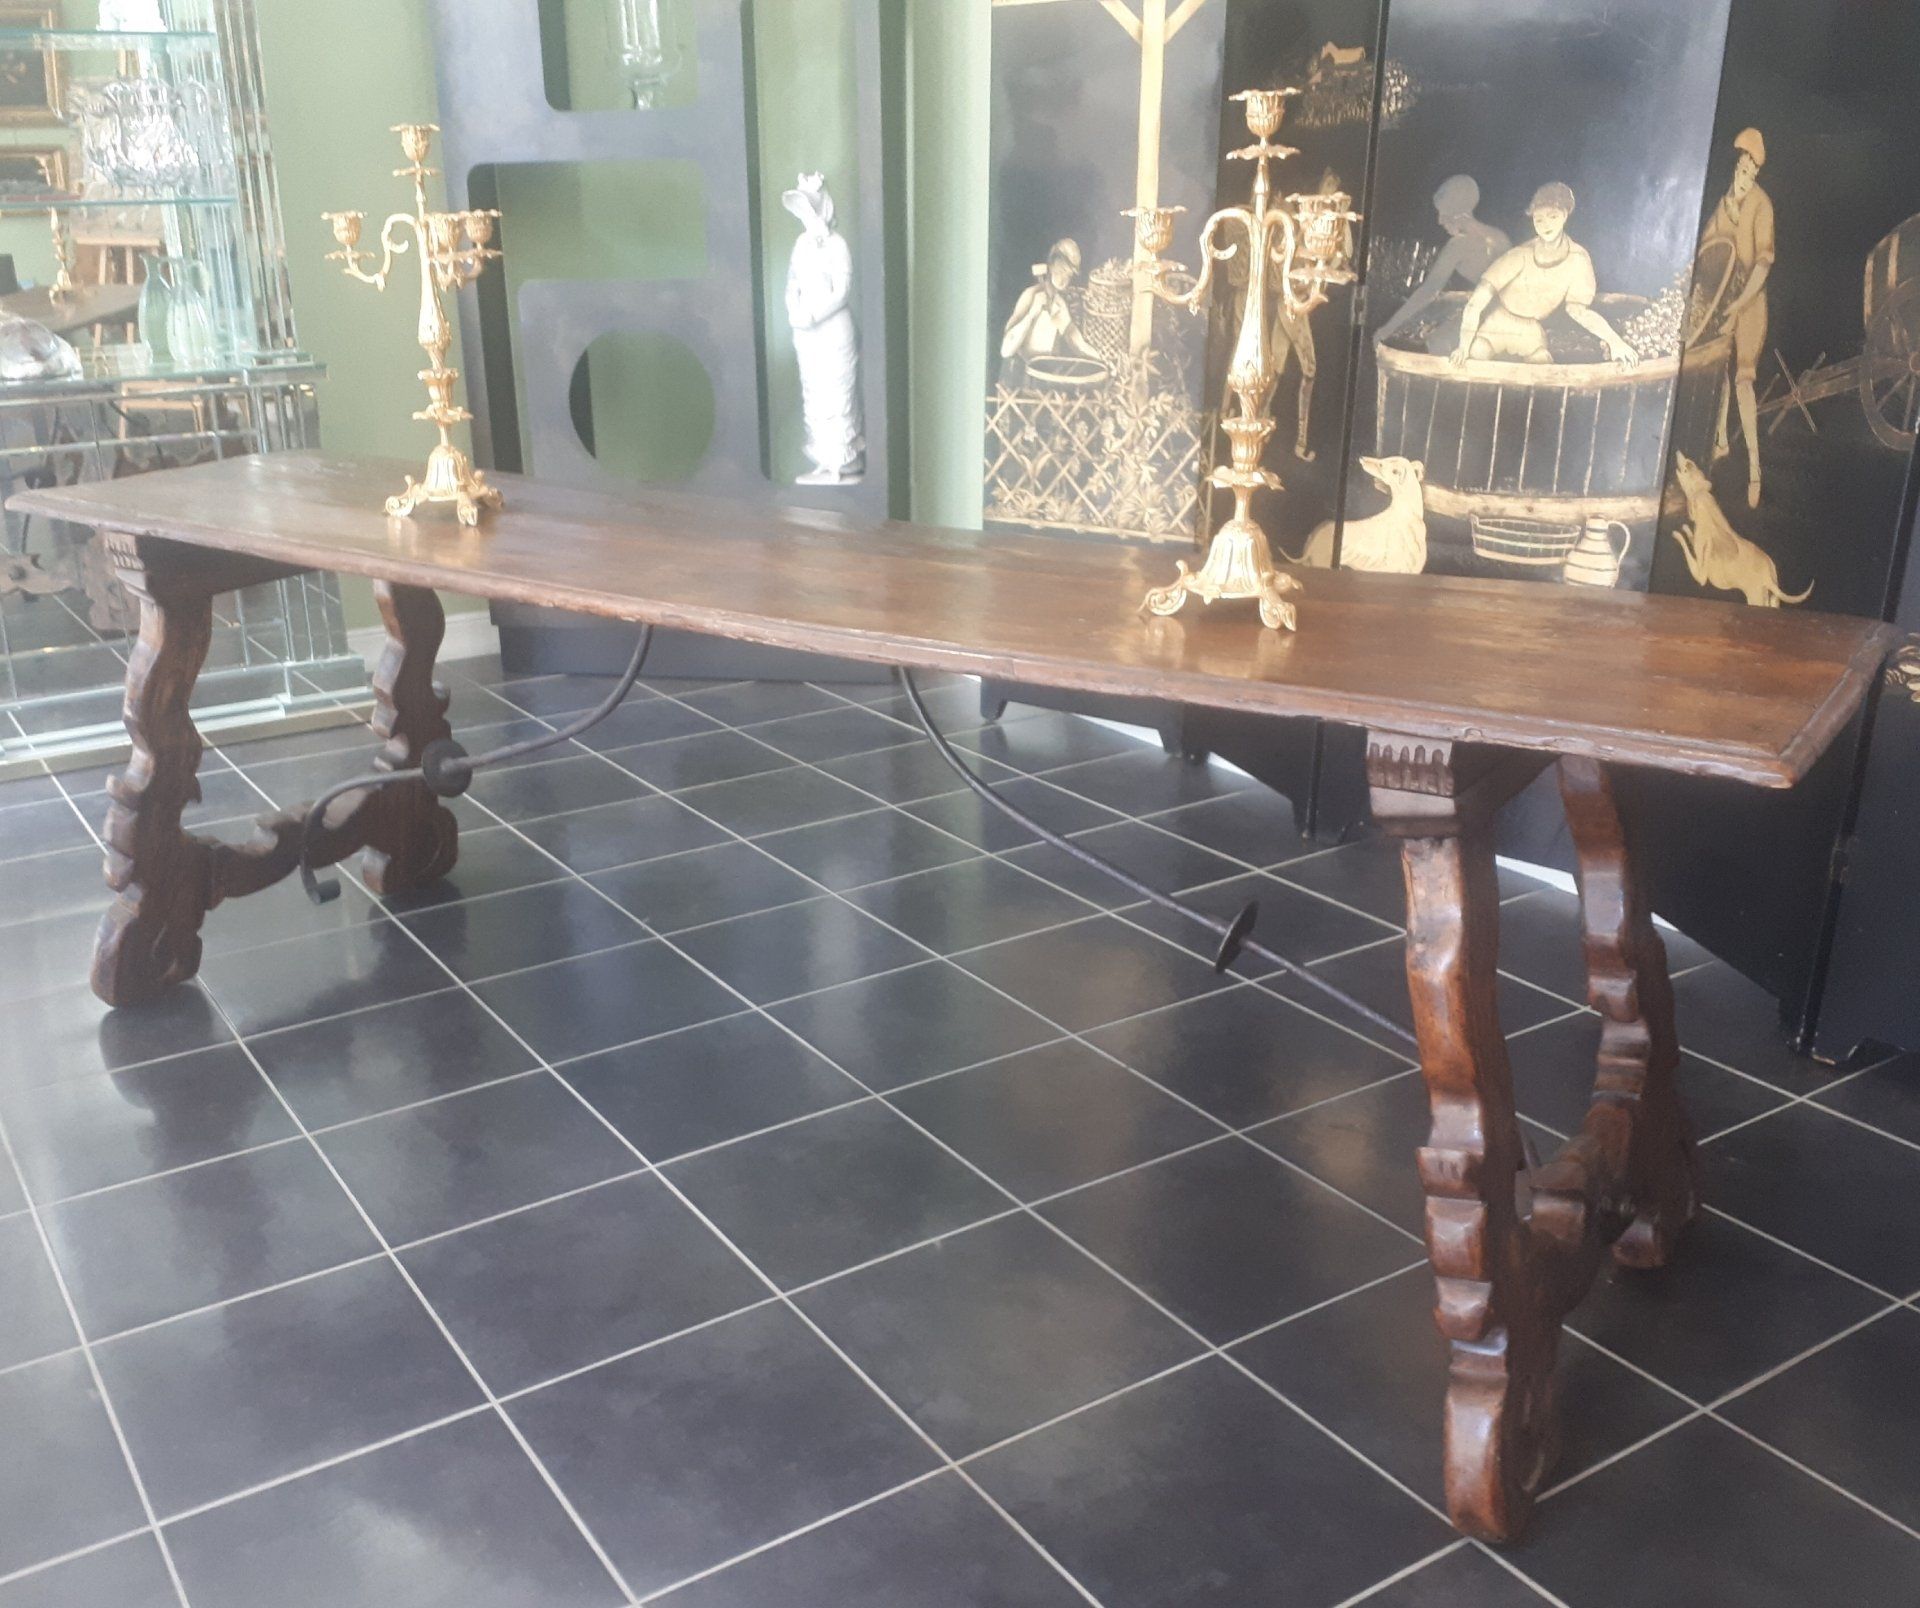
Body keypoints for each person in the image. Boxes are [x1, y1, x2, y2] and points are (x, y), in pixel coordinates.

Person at [1452, 182, 1637, 368]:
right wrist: (1463, 347)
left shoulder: (1578, 259)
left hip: (1531, 332)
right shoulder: (1521, 255)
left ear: (1565, 215)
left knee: (1542, 366)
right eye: (1538, 219)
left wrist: (1615, 342)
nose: (1545, 225)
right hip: (1496, 325)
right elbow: (1476, 303)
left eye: (1552, 216)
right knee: (1477, 355)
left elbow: (1578, 311)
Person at [1703, 128, 1775, 508]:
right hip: (1723, 300)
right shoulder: (1724, 203)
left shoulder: (1761, 205)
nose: (1744, 179)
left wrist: (1739, 302)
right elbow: (1707, 251)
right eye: (1741, 170)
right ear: (1735, 168)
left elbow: (1763, 264)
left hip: (1749, 302)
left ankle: (1755, 470)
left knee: (1743, 380)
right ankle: (1720, 441)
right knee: (1719, 371)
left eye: (1751, 173)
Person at [1376, 175, 1510, 346]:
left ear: (1458, 212)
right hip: (1506, 318)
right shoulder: (1500, 237)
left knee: (1432, 342)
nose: (1439, 221)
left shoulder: (1459, 245)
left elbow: (1428, 292)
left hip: (1485, 324)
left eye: (1443, 213)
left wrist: (1387, 329)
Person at [999, 238, 1101, 386]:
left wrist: (1101, 361)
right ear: (1051, 265)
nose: (1063, 278)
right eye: (1060, 270)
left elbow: (1078, 343)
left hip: (1045, 379)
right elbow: (1006, 350)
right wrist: (1032, 314)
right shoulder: (1030, 295)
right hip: (1019, 379)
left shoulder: (1059, 305)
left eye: (1068, 273)